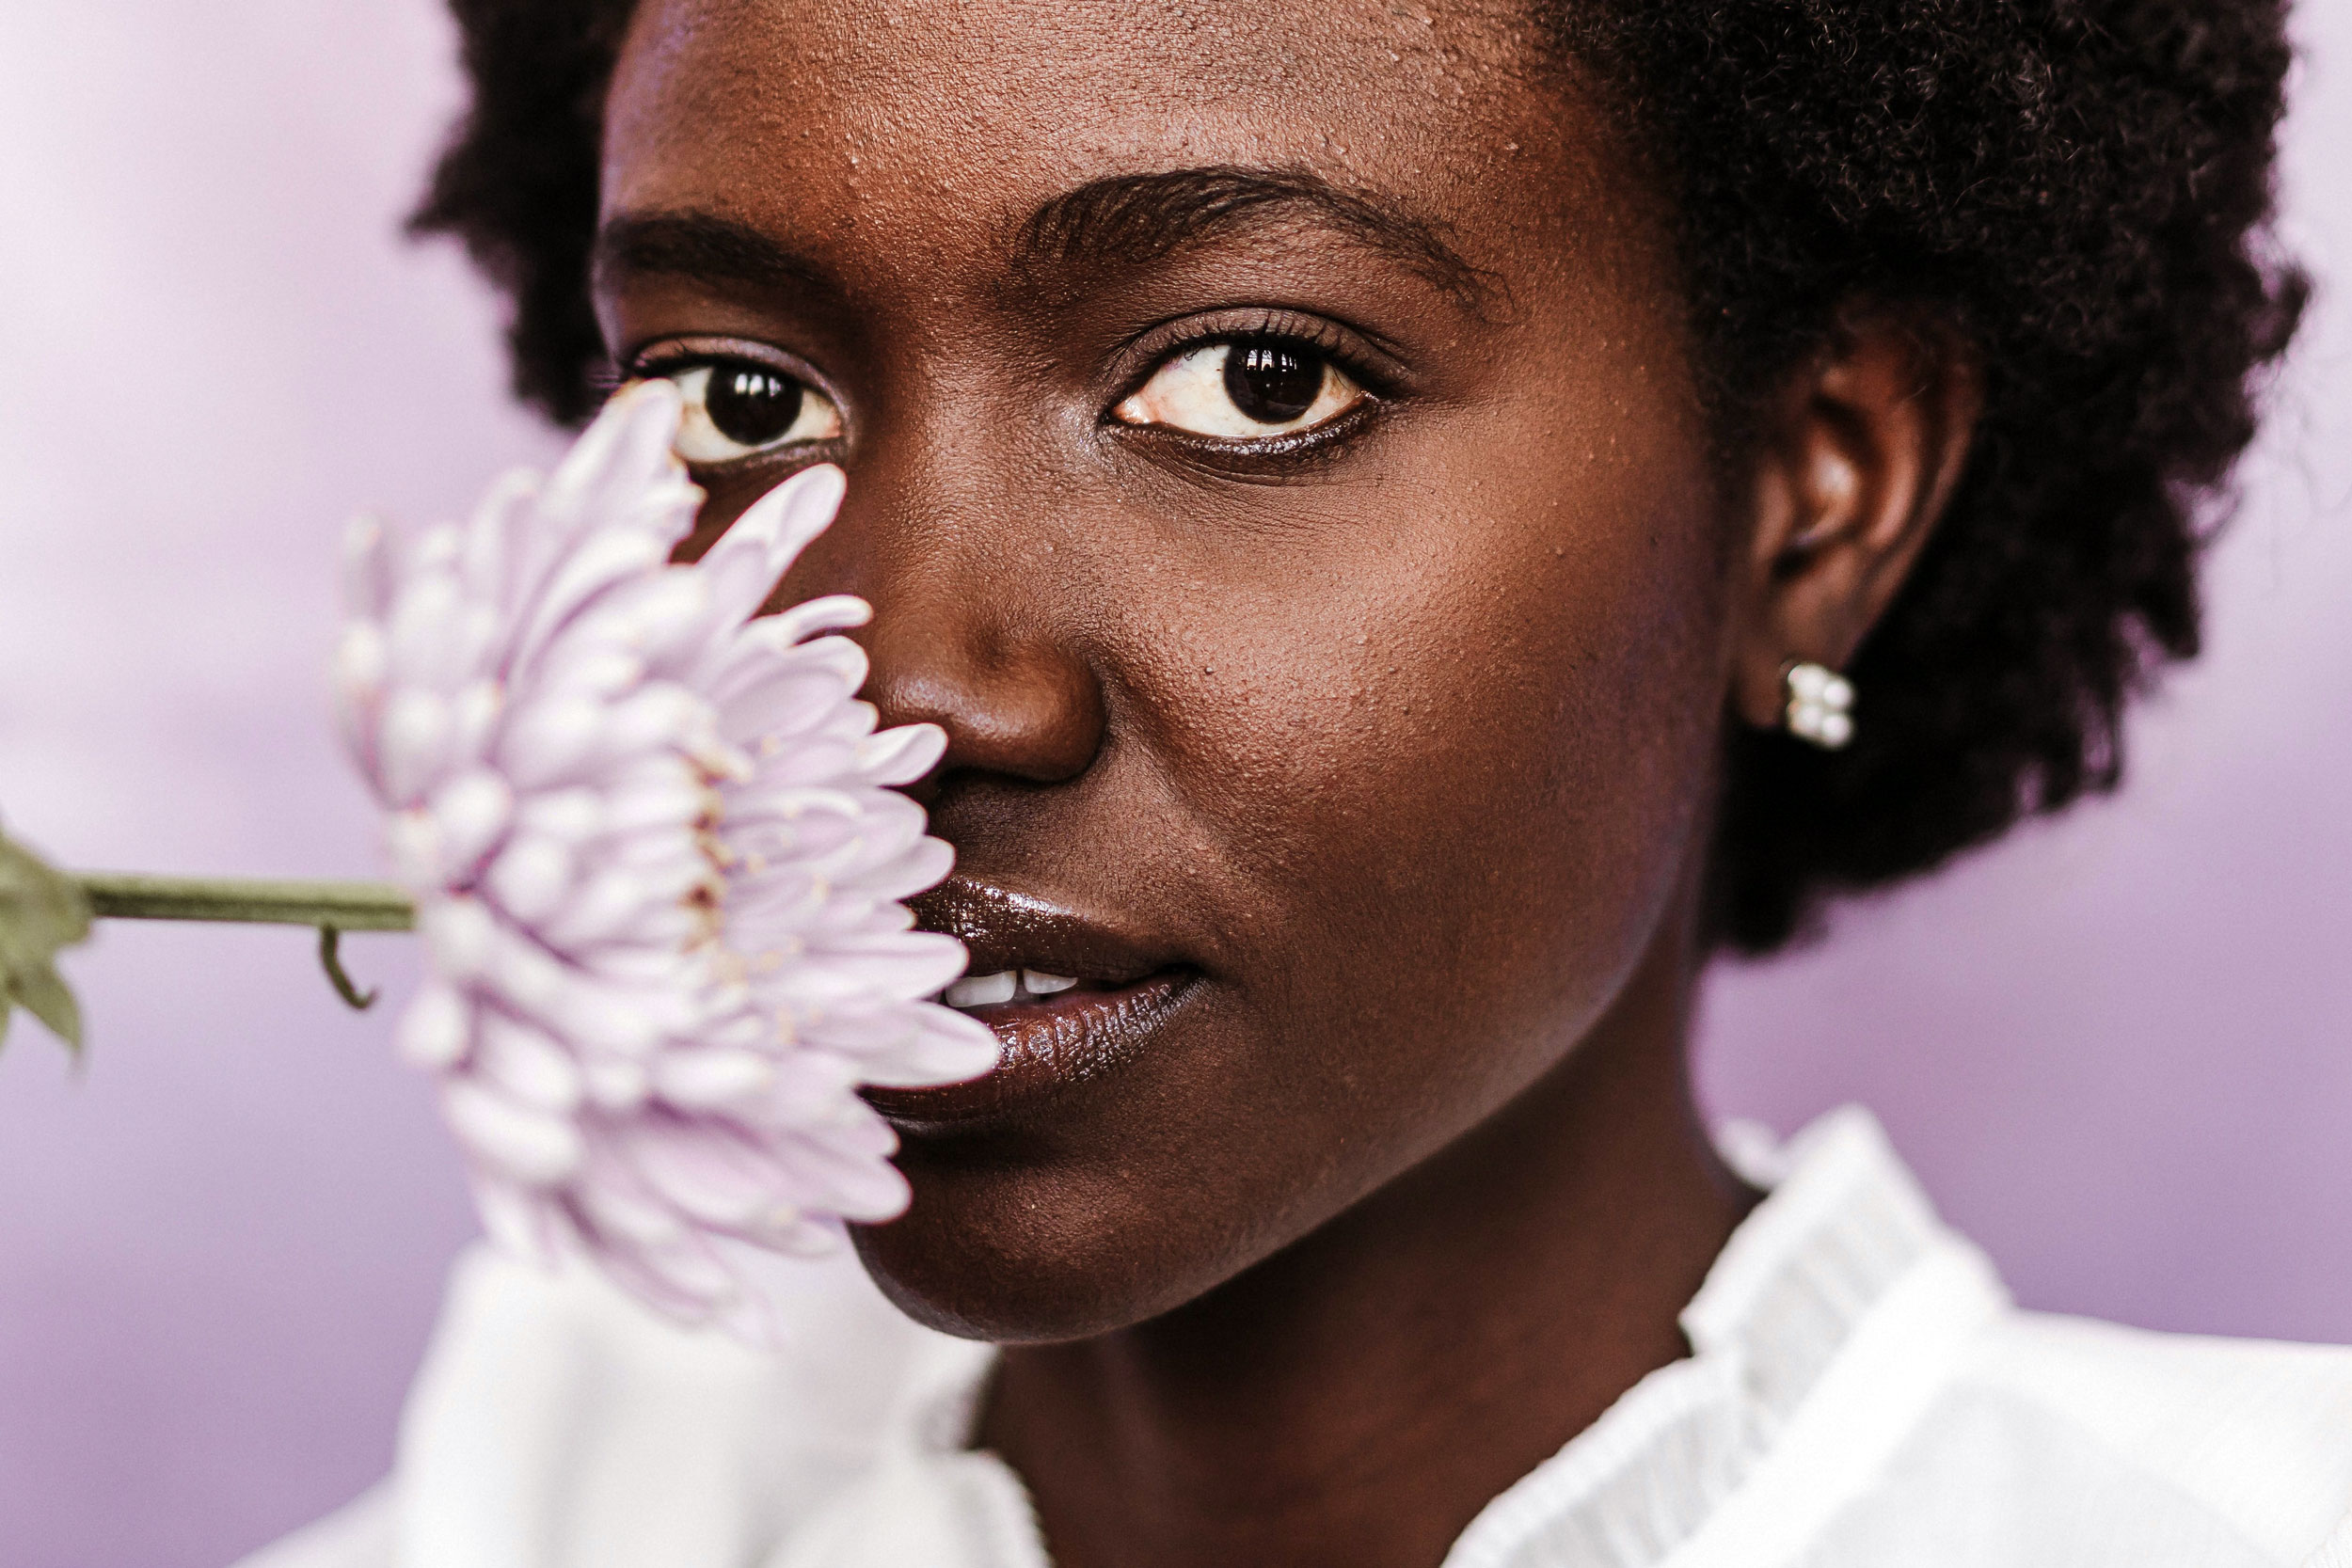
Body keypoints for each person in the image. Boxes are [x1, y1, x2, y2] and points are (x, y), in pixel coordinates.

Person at [244, 1, 2352, 1564]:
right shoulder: (542, 1498)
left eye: (1255, 378)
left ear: (1817, 493)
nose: (898, 683)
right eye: (736, 395)